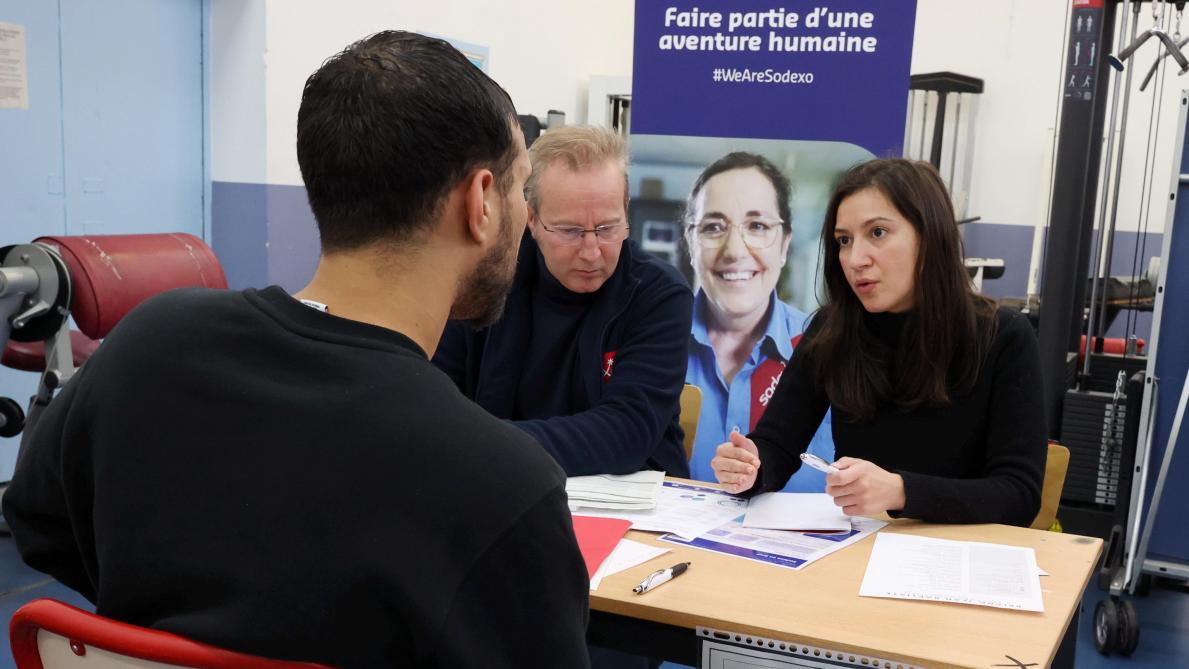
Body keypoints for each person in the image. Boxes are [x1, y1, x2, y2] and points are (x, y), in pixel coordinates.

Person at [3, 31, 591, 668]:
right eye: (519, 190)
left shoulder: (149, 342)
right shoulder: (503, 484)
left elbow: (37, 519)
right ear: (480, 202)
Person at [711, 158, 1045, 526]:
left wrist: (902, 491)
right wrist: (749, 468)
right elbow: (778, 445)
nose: (855, 259)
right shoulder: (832, 330)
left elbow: (1019, 495)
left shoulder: (1003, 337)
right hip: (859, 550)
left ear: (930, 235)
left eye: (878, 233)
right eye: (843, 240)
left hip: (963, 560)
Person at [434, 125, 692, 479]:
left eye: (607, 228)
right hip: (502, 488)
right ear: (531, 219)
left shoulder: (659, 294)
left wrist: (481, 443)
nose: (591, 252)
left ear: (626, 210)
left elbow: (627, 432)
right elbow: (437, 396)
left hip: (637, 507)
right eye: (570, 231)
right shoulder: (483, 280)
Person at [683, 152, 834, 492]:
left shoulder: (830, 350)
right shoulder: (653, 347)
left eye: (758, 226)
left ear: (784, 244)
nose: (735, 250)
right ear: (690, 243)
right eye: (713, 227)